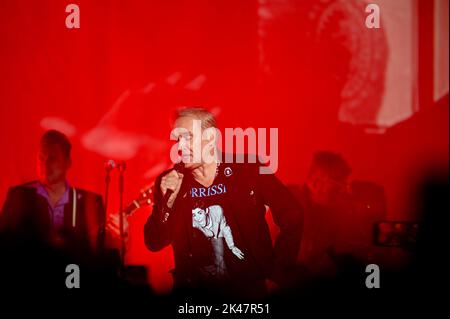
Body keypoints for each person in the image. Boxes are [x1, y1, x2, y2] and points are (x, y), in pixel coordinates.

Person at [144, 107, 303, 299]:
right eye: (177, 139)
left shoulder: (250, 168)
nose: (180, 146)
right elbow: (154, 242)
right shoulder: (170, 181)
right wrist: (166, 203)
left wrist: (278, 273)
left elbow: (293, 215)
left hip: (249, 295)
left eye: (188, 137)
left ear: (210, 137)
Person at [0, 130, 108, 290]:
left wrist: (122, 240)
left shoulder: (89, 203)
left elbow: (98, 259)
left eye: (52, 159)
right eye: (41, 158)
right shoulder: (18, 197)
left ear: (68, 162)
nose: (45, 165)